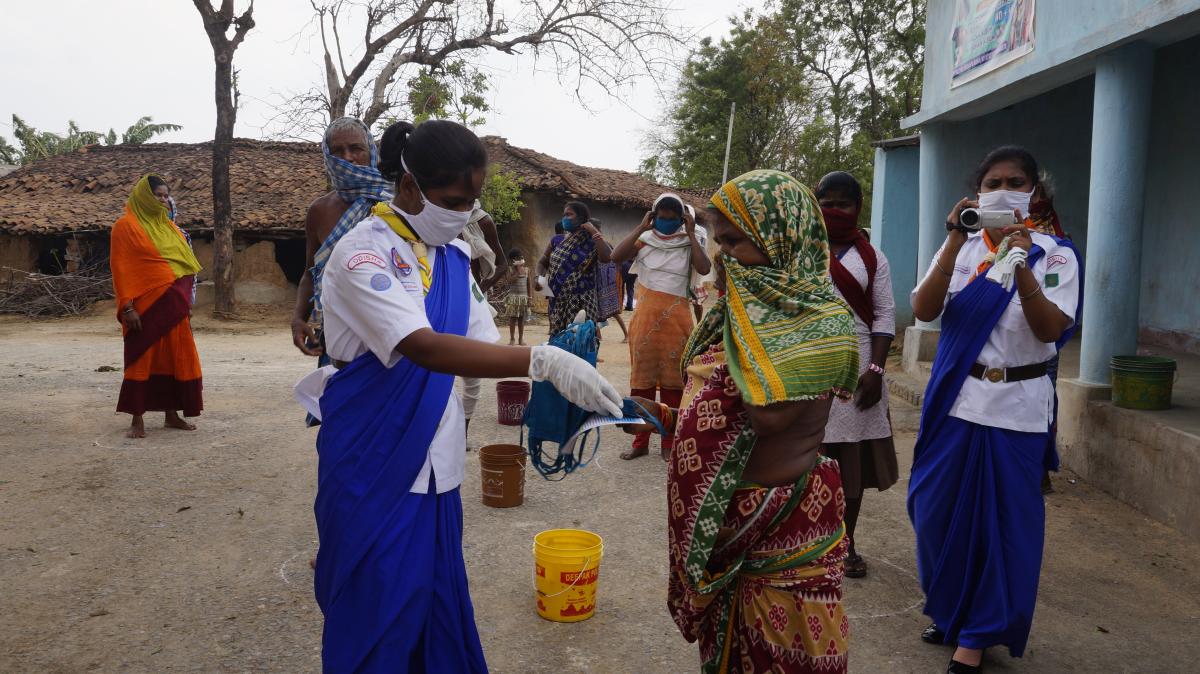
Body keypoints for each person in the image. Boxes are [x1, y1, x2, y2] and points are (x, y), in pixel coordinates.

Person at [293, 118, 623, 672]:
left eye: (473, 201)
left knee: (432, 596)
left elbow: (476, 345)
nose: (464, 213)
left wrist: (563, 367)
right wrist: (540, 360)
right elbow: (424, 347)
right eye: (452, 200)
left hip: (436, 450)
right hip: (373, 449)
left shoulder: (449, 258)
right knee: (375, 600)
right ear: (409, 186)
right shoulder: (363, 253)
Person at [627, 170, 859, 673]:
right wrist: (661, 416)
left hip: (782, 529)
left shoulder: (822, 323)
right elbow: (708, 414)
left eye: (735, 241)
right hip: (726, 532)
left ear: (781, 240)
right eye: (717, 241)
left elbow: (766, 416)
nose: (724, 257)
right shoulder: (723, 316)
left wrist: (750, 316)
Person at [908, 146, 1082, 673]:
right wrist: (955, 238)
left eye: (1014, 181)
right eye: (991, 183)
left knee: (1002, 527)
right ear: (977, 193)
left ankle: (976, 636)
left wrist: (1021, 264)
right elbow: (923, 309)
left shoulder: (1055, 255)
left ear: (1034, 193)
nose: (1001, 190)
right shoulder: (960, 248)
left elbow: (1052, 330)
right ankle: (951, 606)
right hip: (957, 401)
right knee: (930, 509)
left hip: (1017, 409)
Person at [814, 171, 898, 579]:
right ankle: (804, 543)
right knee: (803, 460)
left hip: (860, 367)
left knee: (850, 470)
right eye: (826, 203)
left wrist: (876, 370)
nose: (833, 211)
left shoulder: (872, 258)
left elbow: (883, 315)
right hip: (807, 366)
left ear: (858, 207)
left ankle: (845, 545)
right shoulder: (800, 249)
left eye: (842, 204)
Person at [610, 193, 710, 461]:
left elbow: (704, 265)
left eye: (672, 219)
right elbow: (614, 256)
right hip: (644, 322)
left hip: (677, 323)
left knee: (673, 385)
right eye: (661, 218)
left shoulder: (690, 243)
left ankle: (668, 442)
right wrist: (642, 228)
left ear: (682, 219)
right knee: (641, 385)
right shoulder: (645, 240)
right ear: (653, 217)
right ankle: (640, 441)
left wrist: (689, 233)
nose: (666, 223)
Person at [110, 175, 204, 439]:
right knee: (141, 359)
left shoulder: (171, 229)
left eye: (165, 196)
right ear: (144, 196)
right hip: (143, 306)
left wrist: (186, 302)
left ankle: (172, 415)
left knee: (177, 358)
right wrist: (127, 308)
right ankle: (136, 419)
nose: (163, 200)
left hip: (175, 304)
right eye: (158, 195)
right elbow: (121, 269)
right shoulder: (125, 227)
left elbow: (186, 266)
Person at [290, 117, 391, 361]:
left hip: (393, 333)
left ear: (371, 151)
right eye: (337, 151)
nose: (347, 157)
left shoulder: (395, 201)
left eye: (356, 148)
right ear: (327, 155)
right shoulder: (320, 211)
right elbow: (310, 272)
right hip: (336, 336)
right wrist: (298, 318)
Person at [534, 201, 614, 334]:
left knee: (579, 343)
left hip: (582, 304)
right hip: (557, 301)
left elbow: (607, 257)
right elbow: (542, 262)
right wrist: (539, 277)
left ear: (581, 218)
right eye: (564, 215)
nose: (564, 218)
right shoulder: (557, 240)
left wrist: (593, 231)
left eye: (569, 214)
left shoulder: (592, 242)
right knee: (559, 344)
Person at [504, 248, 532, 345]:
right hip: (514, 298)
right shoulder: (510, 269)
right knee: (513, 318)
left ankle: (521, 339)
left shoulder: (527, 270)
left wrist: (530, 298)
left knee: (521, 319)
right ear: (513, 260)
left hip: (523, 298)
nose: (521, 259)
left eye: (521, 257)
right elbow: (509, 280)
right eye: (518, 258)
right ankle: (512, 338)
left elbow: (529, 285)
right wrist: (518, 271)